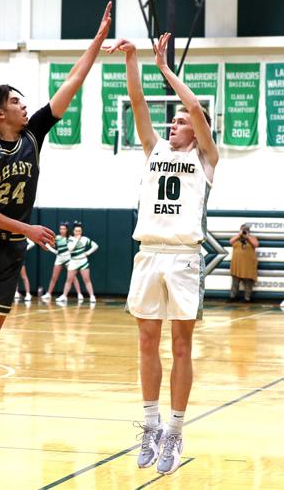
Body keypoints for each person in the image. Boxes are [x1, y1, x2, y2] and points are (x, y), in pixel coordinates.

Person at [0, 1, 112, 467]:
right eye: (18, 102)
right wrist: (27, 227)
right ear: (1, 114)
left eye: (24, 102)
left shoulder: (34, 135)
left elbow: (72, 84)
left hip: (10, 252)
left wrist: (98, 39)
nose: (26, 105)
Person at [104, 33, 219, 475]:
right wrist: (134, 59)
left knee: (182, 346)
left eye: (180, 123)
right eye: (170, 123)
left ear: (197, 127)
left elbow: (192, 108)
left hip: (184, 258)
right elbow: (137, 103)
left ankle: (175, 430)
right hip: (148, 253)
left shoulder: (206, 158)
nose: (173, 126)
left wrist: (167, 70)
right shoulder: (155, 151)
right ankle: (151, 427)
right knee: (147, 342)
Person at [56, 222, 98, 303]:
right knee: (69, 280)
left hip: (83, 261)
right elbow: (70, 249)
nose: (78, 232)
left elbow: (95, 246)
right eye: (76, 231)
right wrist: (76, 240)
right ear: (73, 231)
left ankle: (92, 296)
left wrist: (87, 253)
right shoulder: (70, 239)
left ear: (81, 232)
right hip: (73, 262)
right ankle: (64, 296)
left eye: (79, 231)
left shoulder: (85, 239)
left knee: (87, 280)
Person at [41, 222, 83, 301]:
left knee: (73, 277)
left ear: (67, 230)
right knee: (54, 277)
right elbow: (48, 245)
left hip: (68, 259)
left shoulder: (70, 238)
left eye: (64, 229)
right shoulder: (57, 237)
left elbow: (73, 248)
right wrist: (54, 251)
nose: (62, 230)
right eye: (61, 229)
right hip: (59, 259)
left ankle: (79, 294)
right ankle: (49, 294)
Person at [229, 224, 258, 302]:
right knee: (235, 282)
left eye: (246, 230)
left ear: (249, 231)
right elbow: (230, 241)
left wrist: (247, 237)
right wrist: (239, 234)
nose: (245, 231)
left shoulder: (252, 238)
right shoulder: (236, 238)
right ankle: (233, 297)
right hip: (237, 264)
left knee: (248, 283)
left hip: (248, 265)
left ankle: (247, 298)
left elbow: (256, 244)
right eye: (243, 230)